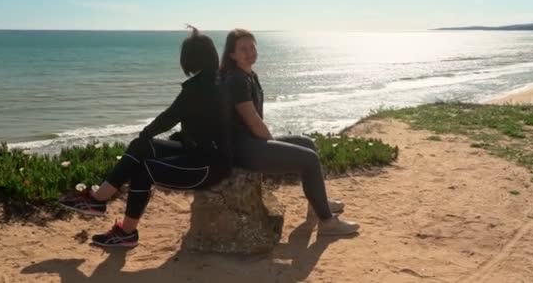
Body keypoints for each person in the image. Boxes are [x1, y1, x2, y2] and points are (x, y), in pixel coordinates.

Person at [59, 27, 232, 248]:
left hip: (208, 165)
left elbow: (169, 117)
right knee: (140, 148)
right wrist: (148, 139)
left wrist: (147, 133)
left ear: (189, 59)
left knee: (143, 168)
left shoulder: (201, 87)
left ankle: (121, 226)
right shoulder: (212, 82)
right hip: (197, 153)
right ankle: (99, 202)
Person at [220, 28, 360, 236]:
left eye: (252, 47)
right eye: (243, 49)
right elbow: (253, 120)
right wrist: (273, 145)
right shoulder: (236, 80)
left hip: (251, 143)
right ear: (232, 54)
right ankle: (327, 223)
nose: (250, 52)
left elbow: (256, 121)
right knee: (309, 159)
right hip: (242, 150)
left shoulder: (249, 76)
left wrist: (271, 143)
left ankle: (316, 205)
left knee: (307, 143)